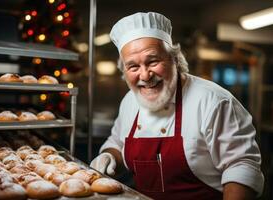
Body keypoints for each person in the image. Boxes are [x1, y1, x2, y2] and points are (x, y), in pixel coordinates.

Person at [90, 12, 264, 200]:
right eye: (133, 67)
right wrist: (109, 156)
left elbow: (241, 167)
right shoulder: (130, 101)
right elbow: (117, 142)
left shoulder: (214, 101)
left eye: (153, 61)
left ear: (175, 59)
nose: (145, 75)